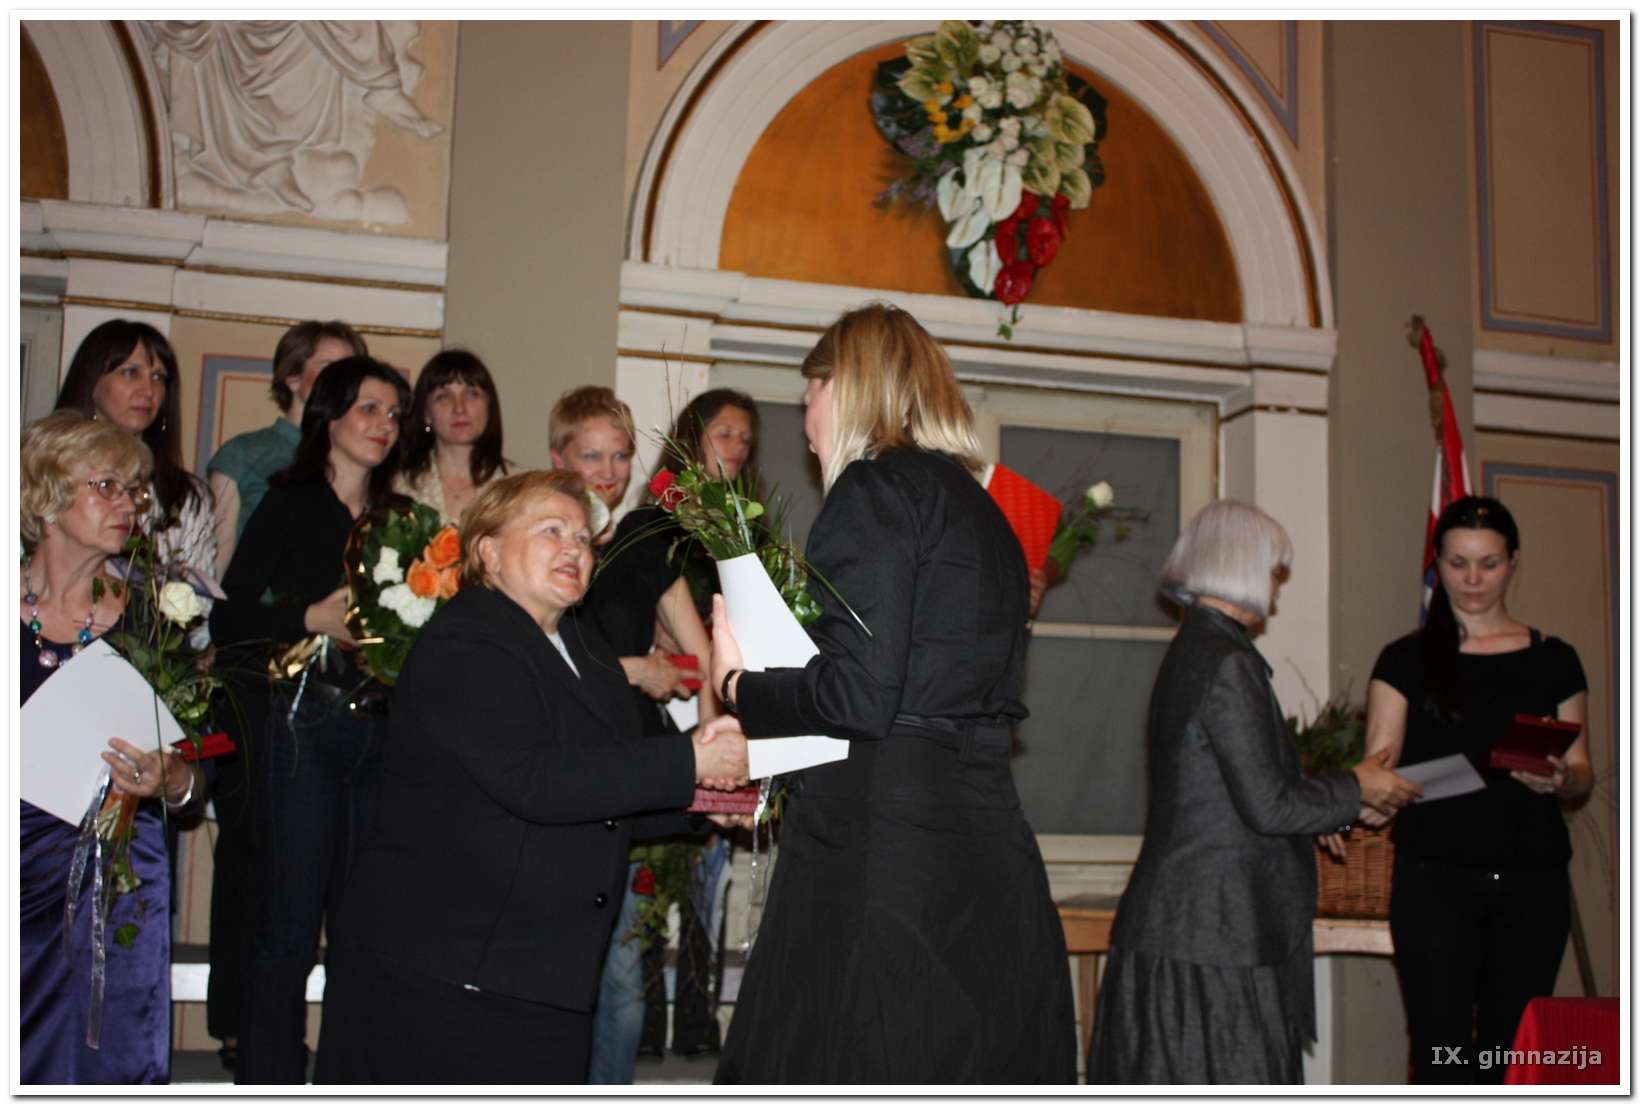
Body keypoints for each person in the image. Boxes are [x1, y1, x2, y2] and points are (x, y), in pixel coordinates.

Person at [702, 303, 1076, 1083]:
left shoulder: (873, 491)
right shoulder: (985, 513)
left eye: (809, 392)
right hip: (981, 831)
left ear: (846, 386)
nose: (805, 419)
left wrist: (740, 684)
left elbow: (860, 697)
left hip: (883, 853)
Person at [312, 470, 750, 1085]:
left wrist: (703, 799)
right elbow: (535, 781)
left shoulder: (583, 647)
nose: (574, 547)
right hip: (445, 976)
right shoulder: (468, 641)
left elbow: (602, 788)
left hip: (541, 972)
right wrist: (691, 762)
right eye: (551, 531)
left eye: (583, 538)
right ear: (488, 552)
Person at [1087, 499, 1421, 1084]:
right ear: (1240, 564)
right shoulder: (1225, 661)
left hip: (1194, 929)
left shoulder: (1199, 649)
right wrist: (1357, 785)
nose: (1277, 585)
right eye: (1273, 568)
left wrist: (1328, 810)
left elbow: (1238, 793)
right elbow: (1267, 804)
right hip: (1212, 937)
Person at [209, 356, 411, 1084]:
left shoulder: (401, 520)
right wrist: (308, 618)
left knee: (362, 929)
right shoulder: (290, 501)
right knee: (289, 924)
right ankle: (270, 1082)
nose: (384, 425)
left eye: (394, 415)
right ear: (329, 416)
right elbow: (227, 618)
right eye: (369, 409)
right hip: (301, 726)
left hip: (381, 731)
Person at [1364, 496, 1590, 1084]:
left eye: (1488, 564)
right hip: (1434, 878)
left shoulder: (1555, 659)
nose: (1471, 580)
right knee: (1441, 1049)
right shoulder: (1405, 659)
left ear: (1513, 561)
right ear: (1436, 564)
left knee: (1510, 1053)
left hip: (1531, 879)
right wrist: (1377, 791)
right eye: (1457, 563)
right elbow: (1377, 766)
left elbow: (1582, 770)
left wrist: (1562, 777)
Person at [19, 411, 201, 1083]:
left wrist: (172, 778)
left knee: (102, 1060)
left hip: (116, 880)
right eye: (107, 486)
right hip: (16, 861)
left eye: (134, 490)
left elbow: (199, 766)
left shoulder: (153, 616)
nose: (129, 504)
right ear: (45, 497)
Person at [581, 389, 758, 1079]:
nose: (737, 447)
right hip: (587, 754)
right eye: (724, 433)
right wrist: (637, 667)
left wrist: (720, 753)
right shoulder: (642, 525)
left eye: (619, 456)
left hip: (647, 754)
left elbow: (711, 652)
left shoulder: (718, 533)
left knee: (626, 954)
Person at [55, 319, 216, 615]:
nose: (148, 390)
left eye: (158, 377)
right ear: (93, 382)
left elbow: (200, 608)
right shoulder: (49, 473)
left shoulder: (186, 495)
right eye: (131, 373)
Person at [207, 320, 368, 578]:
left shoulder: (361, 458)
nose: (342, 382)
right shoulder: (245, 453)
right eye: (330, 368)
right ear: (293, 377)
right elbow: (215, 564)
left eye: (351, 373)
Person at [394, 348, 510, 524]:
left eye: (471, 394)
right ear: (426, 413)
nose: (459, 408)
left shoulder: (518, 486)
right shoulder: (399, 486)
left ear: (489, 406)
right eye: (443, 397)